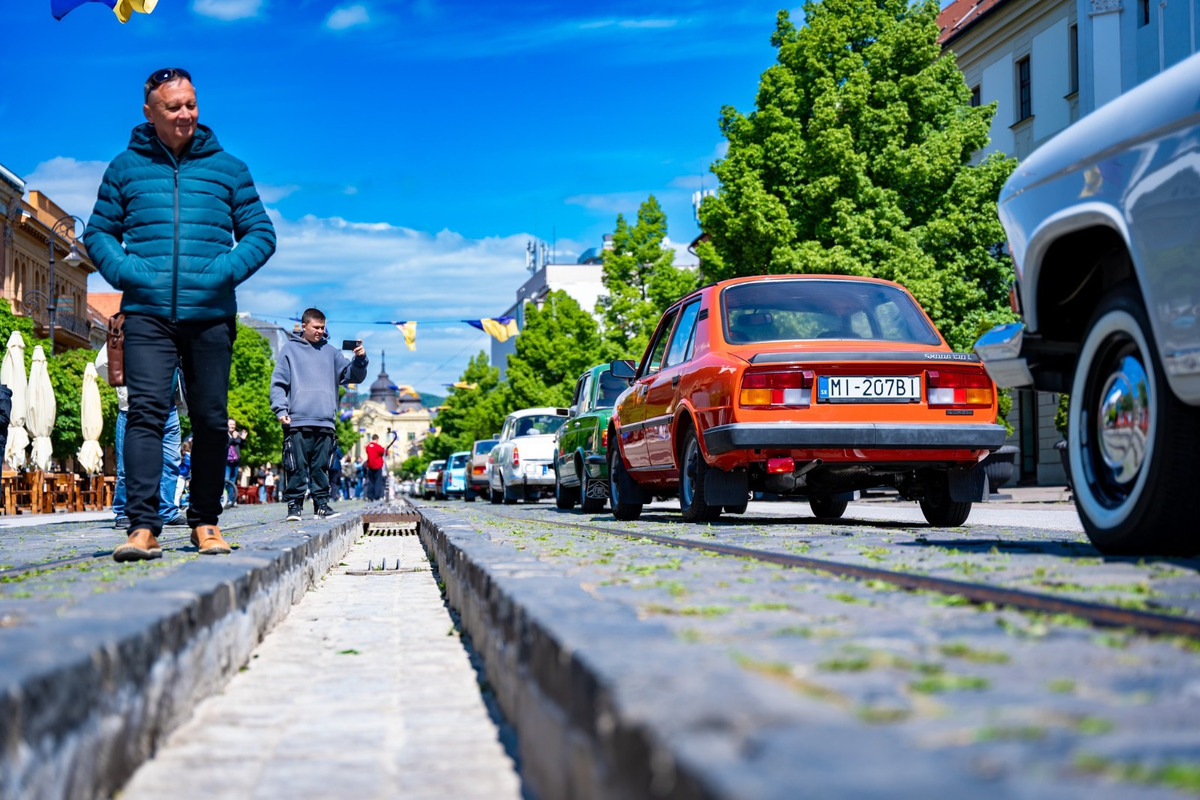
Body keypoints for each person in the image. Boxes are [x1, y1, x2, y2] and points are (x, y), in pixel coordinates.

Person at [84, 67, 276, 562]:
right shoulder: (124, 169)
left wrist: (221, 273)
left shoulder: (229, 169)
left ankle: (205, 523)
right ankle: (143, 527)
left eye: (191, 104)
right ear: (150, 112)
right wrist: (127, 271)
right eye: (174, 107)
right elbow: (98, 232)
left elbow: (261, 233)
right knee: (146, 414)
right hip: (146, 313)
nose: (185, 114)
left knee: (211, 420)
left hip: (210, 315)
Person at [270, 308, 367, 520]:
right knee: (295, 464)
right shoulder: (289, 350)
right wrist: (280, 409)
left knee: (321, 466)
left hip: (325, 420)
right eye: (316, 327)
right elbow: (278, 384)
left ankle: (321, 505)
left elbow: (353, 376)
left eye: (323, 328)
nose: (320, 332)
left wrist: (359, 360)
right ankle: (294, 507)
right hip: (296, 419)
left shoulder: (332, 353)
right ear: (304, 326)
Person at [96, 345, 188, 528]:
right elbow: (101, 363)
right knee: (128, 466)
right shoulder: (128, 325)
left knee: (170, 463)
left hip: (168, 410)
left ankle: (167, 511)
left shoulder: (174, 329)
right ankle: (124, 512)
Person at [225, 419, 248, 507]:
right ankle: (224, 499)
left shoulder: (237, 434)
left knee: (233, 482)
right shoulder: (223, 434)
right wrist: (232, 438)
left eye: (234, 424)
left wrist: (243, 440)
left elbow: (241, 446)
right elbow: (225, 445)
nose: (232, 426)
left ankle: (231, 500)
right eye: (230, 424)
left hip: (235, 462)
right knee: (226, 481)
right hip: (226, 462)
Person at [364, 434, 386, 501]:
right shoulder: (377, 446)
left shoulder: (368, 447)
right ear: (377, 439)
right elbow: (385, 452)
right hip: (377, 466)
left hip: (370, 466)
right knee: (377, 482)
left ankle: (370, 496)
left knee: (371, 482)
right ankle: (377, 496)